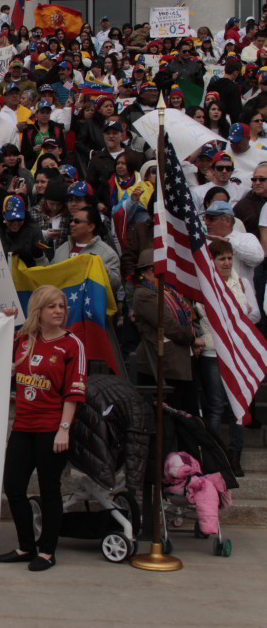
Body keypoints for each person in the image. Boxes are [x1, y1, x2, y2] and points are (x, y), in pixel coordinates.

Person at [0, 285, 85, 572]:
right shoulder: (23, 338)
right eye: (52, 306)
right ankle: (25, 546)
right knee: (13, 485)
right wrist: (4, 321)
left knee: (49, 490)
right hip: (22, 425)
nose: (59, 311)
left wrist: (64, 429)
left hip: (51, 428)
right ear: (39, 310)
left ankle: (47, 551)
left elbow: (75, 392)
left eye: (61, 306)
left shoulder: (72, 344)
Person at [196, 240, 258, 477]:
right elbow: (206, 313)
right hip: (212, 352)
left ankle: (235, 456)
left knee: (237, 407)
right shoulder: (203, 285)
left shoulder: (241, 282)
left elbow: (251, 313)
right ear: (212, 261)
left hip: (236, 352)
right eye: (222, 258)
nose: (227, 262)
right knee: (214, 407)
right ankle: (215, 455)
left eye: (230, 258)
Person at [132, 248, 199, 415]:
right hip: (161, 362)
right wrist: (192, 339)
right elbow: (167, 324)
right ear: (150, 270)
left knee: (186, 411)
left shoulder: (169, 292)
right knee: (169, 413)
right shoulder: (144, 294)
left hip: (179, 360)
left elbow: (188, 315)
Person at [51, 205, 121, 292]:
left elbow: (115, 284)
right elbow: (50, 276)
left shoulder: (107, 253)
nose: (71, 224)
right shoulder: (62, 248)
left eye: (77, 221)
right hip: (61, 303)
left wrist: (100, 267)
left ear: (91, 227)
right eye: (71, 220)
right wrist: (40, 258)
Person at [85, 120, 144, 212]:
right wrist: (97, 203)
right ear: (103, 136)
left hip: (135, 207)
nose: (111, 136)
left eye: (114, 133)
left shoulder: (135, 156)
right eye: (107, 133)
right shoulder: (96, 160)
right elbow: (90, 185)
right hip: (107, 210)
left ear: (121, 136)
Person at [201, 200, 263, 285]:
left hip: (242, 294)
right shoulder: (203, 241)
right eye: (206, 218)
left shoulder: (246, 238)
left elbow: (257, 258)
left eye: (211, 219)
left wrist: (227, 242)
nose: (206, 223)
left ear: (228, 221)